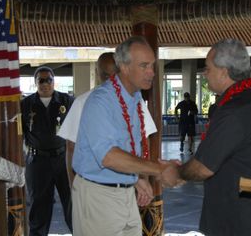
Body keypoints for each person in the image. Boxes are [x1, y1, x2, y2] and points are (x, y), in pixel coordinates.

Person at [162, 39, 251, 236]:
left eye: (208, 68)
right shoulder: (248, 99)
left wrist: (176, 172)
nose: (205, 74)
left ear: (224, 71)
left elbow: (202, 168)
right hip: (247, 213)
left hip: (238, 220)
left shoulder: (235, 109)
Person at [71, 36, 174, 236]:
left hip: (125, 193)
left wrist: (136, 180)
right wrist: (159, 169)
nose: (152, 72)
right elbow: (109, 156)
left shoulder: (134, 98)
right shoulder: (100, 102)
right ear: (124, 68)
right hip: (98, 196)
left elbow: (126, 147)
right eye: (144, 66)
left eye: (152, 65)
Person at [57, 53, 157, 205]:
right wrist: (146, 177)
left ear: (97, 73)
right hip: (101, 190)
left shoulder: (132, 100)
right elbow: (145, 142)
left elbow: (71, 148)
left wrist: (74, 188)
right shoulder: (131, 100)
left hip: (123, 186)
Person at [21, 66, 73, 235]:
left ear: (53, 81)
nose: (45, 84)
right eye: (41, 80)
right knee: (39, 208)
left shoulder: (67, 101)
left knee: (72, 204)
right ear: (35, 83)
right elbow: (20, 133)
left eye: (48, 80)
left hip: (63, 159)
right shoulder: (26, 104)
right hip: (38, 162)